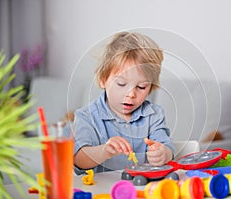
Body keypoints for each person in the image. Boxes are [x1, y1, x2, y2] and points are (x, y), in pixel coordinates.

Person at [64, 31, 174, 174]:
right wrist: (104, 151)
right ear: (103, 80)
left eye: (141, 87)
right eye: (121, 84)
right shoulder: (87, 116)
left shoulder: (154, 115)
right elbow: (78, 159)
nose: (131, 94)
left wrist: (163, 153)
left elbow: (167, 145)